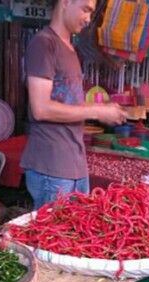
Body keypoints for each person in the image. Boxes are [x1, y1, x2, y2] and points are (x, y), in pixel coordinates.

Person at [21, 0, 127, 210]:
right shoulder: (44, 44)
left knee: (74, 239)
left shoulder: (70, 48)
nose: (88, 19)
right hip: (52, 169)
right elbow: (40, 108)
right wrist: (96, 111)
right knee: (50, 239)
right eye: (85, 10)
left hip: (75, 166)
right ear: (66, 3)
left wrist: (101, 107)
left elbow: (66, 99)